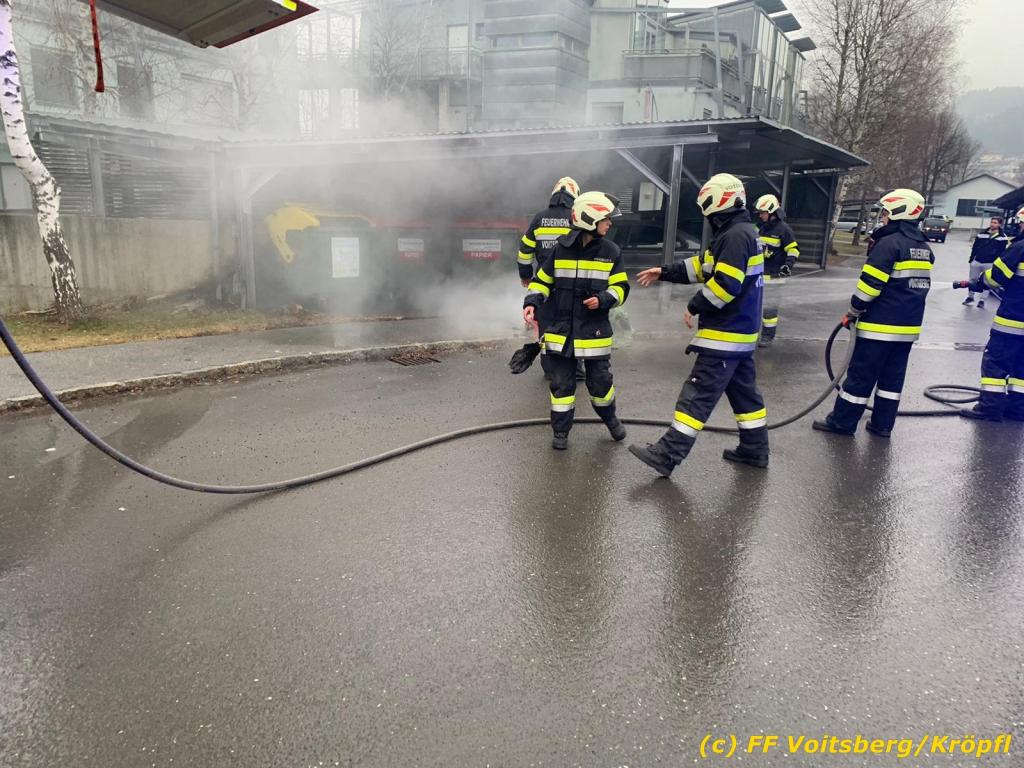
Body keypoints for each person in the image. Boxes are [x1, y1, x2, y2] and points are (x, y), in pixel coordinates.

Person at [628, 173, 769, 477]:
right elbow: (702, 266)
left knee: (697, 394)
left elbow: (725, 285)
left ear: (717, 203)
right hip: (741, 336)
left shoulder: (734, 236)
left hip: (724, 334)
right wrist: (664, 272)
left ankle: (667, 454)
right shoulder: (742, 232)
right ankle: (755, 449)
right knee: (746, 397)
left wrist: (695, 305)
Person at [813, 188, 933, 438]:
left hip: (879, 327)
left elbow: (870, 285)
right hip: (907, 329)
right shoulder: (923, 246)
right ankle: (882, 425)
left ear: (899, 212)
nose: (883, 217)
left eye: (886, 212)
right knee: (892, 381)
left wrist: (854, 309)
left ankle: (842, 423)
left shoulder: (888, 244)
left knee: (860, 377)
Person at [522, 191, 630, 450]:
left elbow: (621, 288)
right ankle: (560, 433)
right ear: (590, 219)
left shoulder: (611, 252)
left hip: (594, 333)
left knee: (600, 384)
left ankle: (611, 420)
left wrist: (603, 299)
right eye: (605, 218)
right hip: (561, 331)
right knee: (561, 385)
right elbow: (541, 281)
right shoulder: (560, 250)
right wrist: (531, 302)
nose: (609, 223)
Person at [511, 177, 584, 379]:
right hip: (571, 285)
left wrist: (526, 276)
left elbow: (525, 250)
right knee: (572, 326)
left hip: (544, 285)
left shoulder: (540, 218)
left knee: (546, 327)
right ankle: (575, 370)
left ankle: (550, 370)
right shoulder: (576, 217)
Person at [959, 204, 1024, 422]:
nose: (1020, 227)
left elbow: (995, 277)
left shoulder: (1019, 248)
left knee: (996, 363)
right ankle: (1017, 409)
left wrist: (980, 281)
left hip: (1013, 321)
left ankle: (990, 408)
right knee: (1022, 368)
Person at [753, 193, 800, 347]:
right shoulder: (761, 227)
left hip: (775, 277)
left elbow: (793, 250)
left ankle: (767, 337)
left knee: (769, 311)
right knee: (753, 307)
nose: (760, 216)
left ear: (772, 212)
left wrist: (787, 266)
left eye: (763, 213)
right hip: (759, 276)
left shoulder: (784, 229)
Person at [964, 215, 1012, 308]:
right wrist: (971, 259)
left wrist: (997, 264)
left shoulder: (1002, 237)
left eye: (995, 223)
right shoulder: (981, 234)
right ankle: (970, 297)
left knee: (987, 282)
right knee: (972, 279)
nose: (992, 224)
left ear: (1000, 225)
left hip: (990, 263)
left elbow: (1003, 252)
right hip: (977, 261)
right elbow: (975, 247)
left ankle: (982, 300)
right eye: (991, 222)